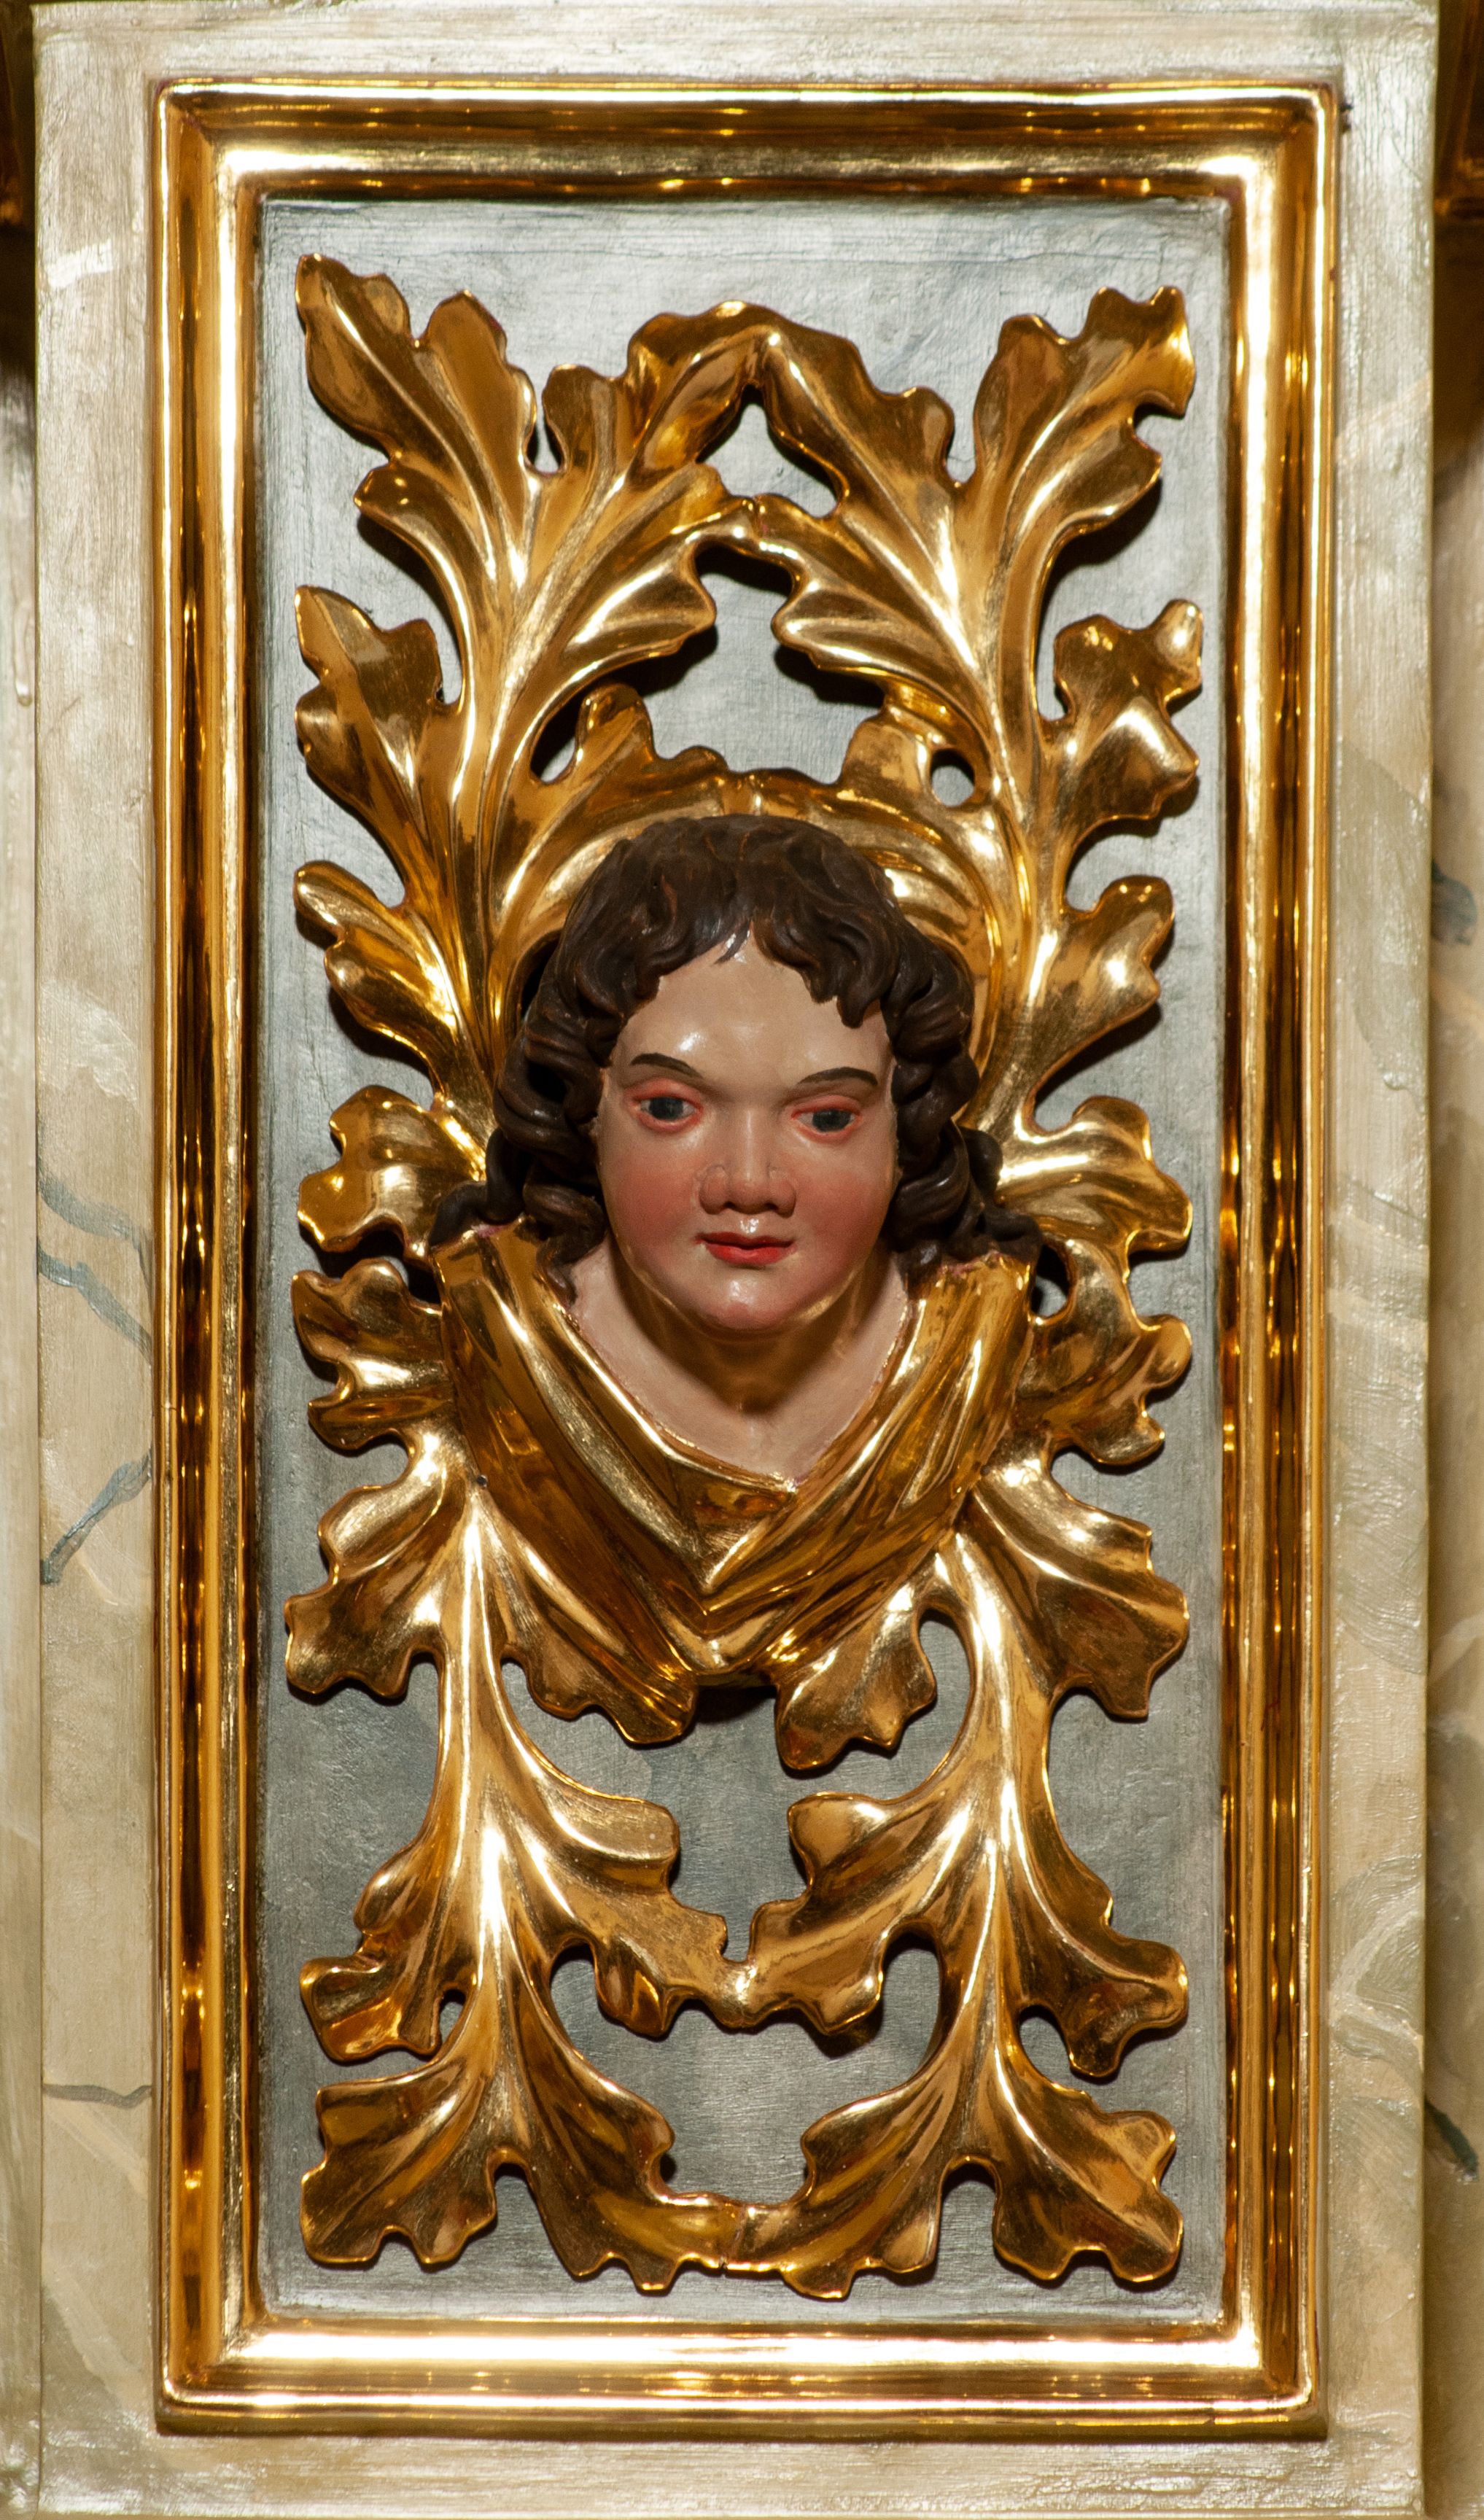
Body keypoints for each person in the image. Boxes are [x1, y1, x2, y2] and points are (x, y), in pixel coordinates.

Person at [434, 812, 1037, 1485]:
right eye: (670, 1109)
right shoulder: (501, 1332)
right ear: (584, 1113)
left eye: (826, 1118)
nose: (749, 1184)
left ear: (906, 1129)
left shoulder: (969, 1349)